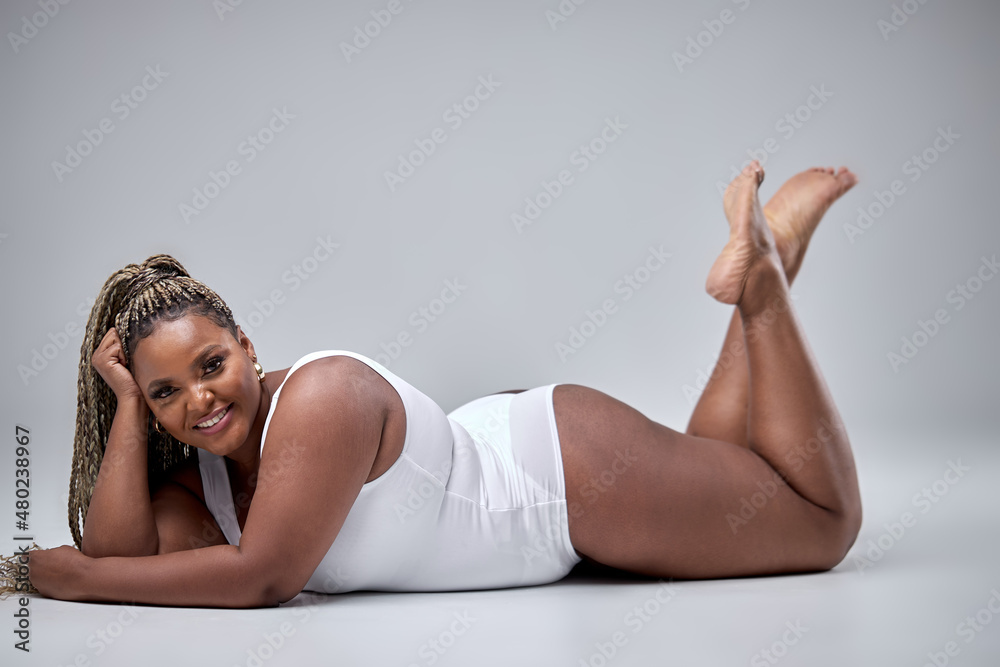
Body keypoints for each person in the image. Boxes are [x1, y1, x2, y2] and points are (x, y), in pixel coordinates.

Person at [11, 161, 862, 607]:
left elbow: (262, 577)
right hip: (517, 456)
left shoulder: (320, 398)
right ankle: (772, 254)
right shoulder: (201, 473)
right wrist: (127, 407)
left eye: (211, 365)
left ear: (247, 346)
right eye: (165, 392)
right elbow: (122, 552)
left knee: (819, 522)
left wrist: (72, 581)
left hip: (560, 482)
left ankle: (763, 284)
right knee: (724, 464)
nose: (199, 399)